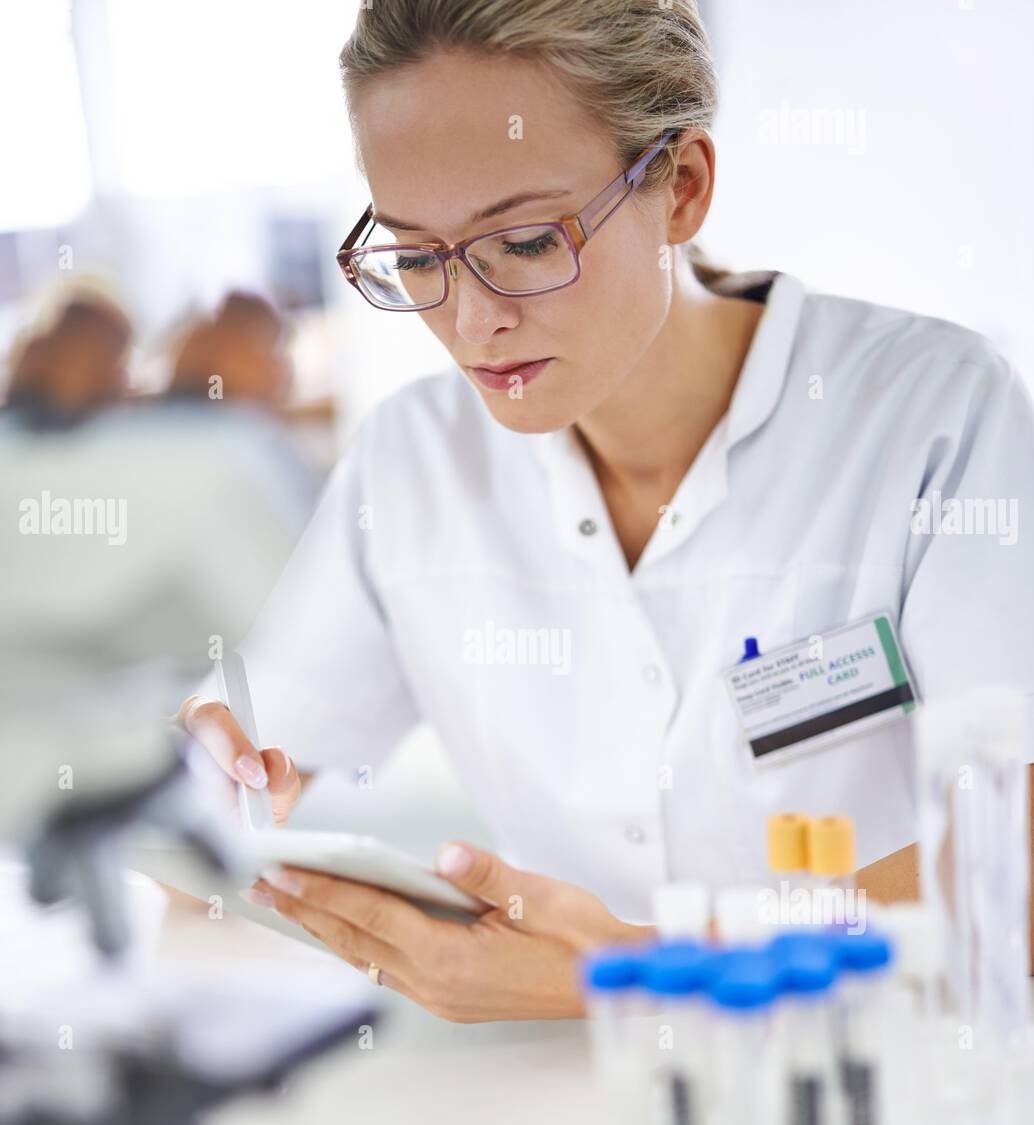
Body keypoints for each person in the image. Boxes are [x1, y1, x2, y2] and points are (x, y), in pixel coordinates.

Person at [178, 0, 1034, 1022]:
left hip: (888, 1086)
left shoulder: (930, 412)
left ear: (680, 188)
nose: (470, 318)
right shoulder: (411, 462)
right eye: (413, 257)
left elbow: (1015, 849)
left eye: (528, 240)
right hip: (576, 1108)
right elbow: (255, 757)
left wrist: (640, 966)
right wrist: (205, 778)